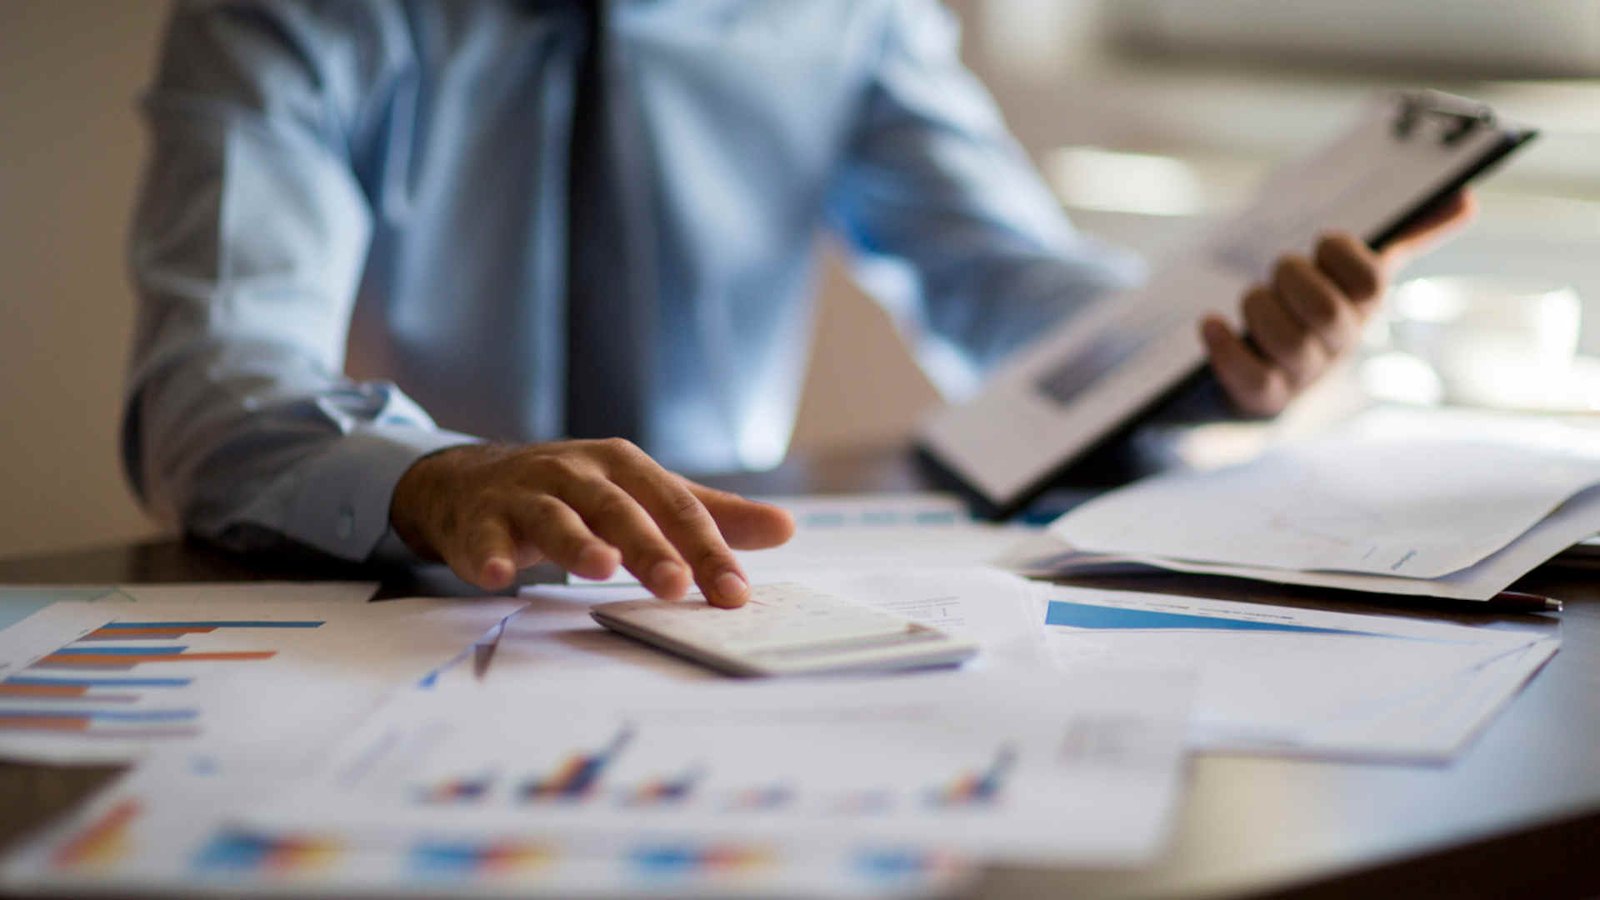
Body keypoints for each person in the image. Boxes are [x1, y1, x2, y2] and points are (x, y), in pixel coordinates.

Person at [123, 1, 1471, 609]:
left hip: (731, 594)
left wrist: (1212, 351)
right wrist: (432, 475)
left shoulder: (846, 13)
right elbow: (210, 375)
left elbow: (1003, 284)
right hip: (405, 599)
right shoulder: (285, 13)